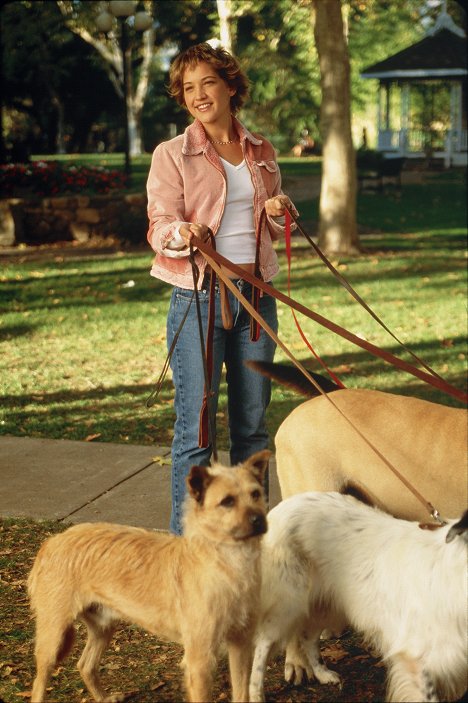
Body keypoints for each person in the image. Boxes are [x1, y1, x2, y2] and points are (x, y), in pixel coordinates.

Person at [146, 42, 296, 535]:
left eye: (207, 82)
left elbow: (273, 225)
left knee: (252, 426)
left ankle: (254, 539)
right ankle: (187, 546)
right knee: (197, 429)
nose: (198, 95)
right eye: (188, 88)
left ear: (231, 85)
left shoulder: (261, 150)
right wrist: (181, 233)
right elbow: (159, 223)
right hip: (198, 298)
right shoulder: (172, 153)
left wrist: (280, 211)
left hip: (255, 299)